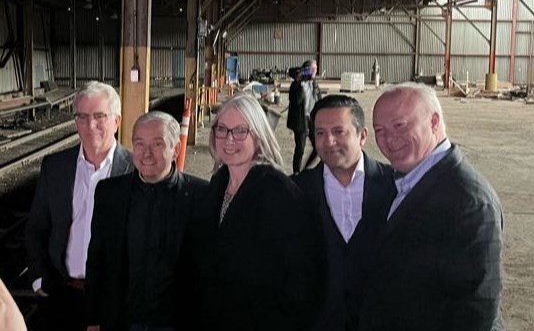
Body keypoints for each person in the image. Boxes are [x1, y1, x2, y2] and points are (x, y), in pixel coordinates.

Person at [360, 82, 504, 331]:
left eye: (400, 125)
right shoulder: (402, 179)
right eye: (379, 130)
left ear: (434, 122)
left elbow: (476, 312)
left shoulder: (468, 203)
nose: (388, 140)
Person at [185, 93, 325, 331]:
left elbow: (302, 278)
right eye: (222, 129)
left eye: (240, 131)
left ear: (259, 137)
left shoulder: (279, 193)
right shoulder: (216, 186)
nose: (229, 140)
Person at [85, 111, 207, 331]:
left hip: (177, 322)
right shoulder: (109, 193)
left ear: (176, 149)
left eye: (158, 144)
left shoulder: (201, 196)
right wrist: (92, 319)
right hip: (121, 321)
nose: (146, 154)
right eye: (139, 144)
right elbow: (96, 260)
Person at [25, 81, 133, 331]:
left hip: (113, 300)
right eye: (82, 117)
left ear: (116, 121)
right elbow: (37, 227)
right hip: (60, 294)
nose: (90, 125)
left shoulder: (134, 170)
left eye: (99, 116)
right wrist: (39, 280)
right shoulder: (55, 166)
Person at [293, 95, 396, 331]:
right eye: (320, 133)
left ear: (362, 136)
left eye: (339, 131)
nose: (328, 141)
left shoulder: (394, 186)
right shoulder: (297, 190)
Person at [287, 60, 322, 174]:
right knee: (300, 149)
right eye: (312, 69)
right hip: (301, 120)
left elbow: (319, 100)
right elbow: (296, 100)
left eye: (315, 69)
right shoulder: (296, 85)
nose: (314, 72)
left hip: (312, 119)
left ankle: (306, 169)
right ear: (305, 70)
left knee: (318, 147)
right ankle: (296, 173)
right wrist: (299, 81)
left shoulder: (315, 84)